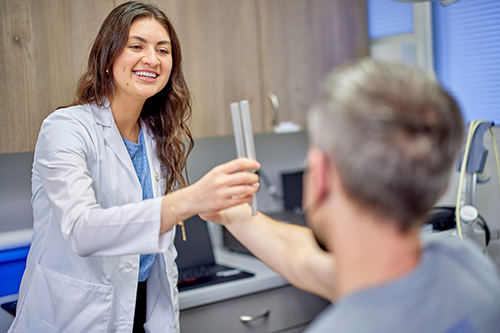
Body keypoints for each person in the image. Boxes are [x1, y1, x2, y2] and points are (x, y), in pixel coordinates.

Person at [8, 2, 259, 333]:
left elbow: (158, 247)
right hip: (73, 317)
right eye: (136, 46)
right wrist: (191, 200)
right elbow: (83, 229)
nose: (152, 60)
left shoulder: (157, 136)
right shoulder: (65, 128)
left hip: (141, 310)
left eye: (163, 50)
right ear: (108, 58)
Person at [202, 59, 500, 332]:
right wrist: (235, 216)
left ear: (320, 176)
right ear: (441, 186)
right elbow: (305, 261)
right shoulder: (467, 266)